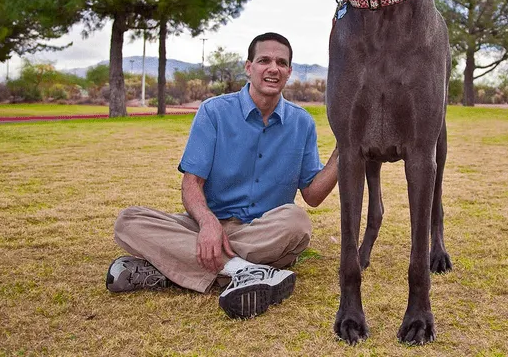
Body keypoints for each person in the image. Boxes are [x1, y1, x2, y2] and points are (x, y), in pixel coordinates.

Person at [106, 32, 338, 319]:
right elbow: (192, 183)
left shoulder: (302, 123)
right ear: (248, 67)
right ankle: (244, 270)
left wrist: (344, 150)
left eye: (281, 63)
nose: (273, 68)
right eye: (264, 60)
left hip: (263, 233)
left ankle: (169, 268)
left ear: (289, 72)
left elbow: (313, 196)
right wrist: (207, 223)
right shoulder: (213, 112)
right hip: (206, 226)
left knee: (297, 222)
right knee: (129, 221)